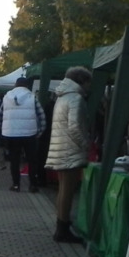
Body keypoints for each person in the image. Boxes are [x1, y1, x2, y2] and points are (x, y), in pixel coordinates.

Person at [46, 65, 93, 243]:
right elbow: (74, 127)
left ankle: (61, 225)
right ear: (82, 81)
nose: (90, 87)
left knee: (62, 189)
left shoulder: (62, 97)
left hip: (60, 147)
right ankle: (62, 228)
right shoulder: (76, 99)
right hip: (71, 150)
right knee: (68, 190)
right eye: (89, 83)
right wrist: (85, 144)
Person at [0, 76, 46, 192]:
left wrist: (5, 129)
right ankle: (33, 185)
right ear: (27, 86)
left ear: (15, 85)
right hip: (30, 134)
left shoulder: (7, 98)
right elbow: (42, 116)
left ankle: (16, 184)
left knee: (14, 160)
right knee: (32, 160)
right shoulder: (32, 97)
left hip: (11, 134)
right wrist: (39, 132)